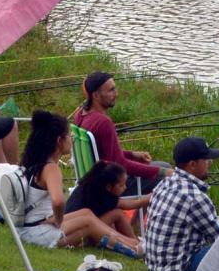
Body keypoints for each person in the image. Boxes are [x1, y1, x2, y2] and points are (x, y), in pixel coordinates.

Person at [15, 110, 129, 249]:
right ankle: (132, 248)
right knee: (88, 222)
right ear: (59, 140)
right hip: (37, 234)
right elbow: (58, 201)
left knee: (86, 213)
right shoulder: (51, 168)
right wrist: (58, 221)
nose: (72, 137)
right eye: (69, 135)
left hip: (27, 229)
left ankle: (130, 242)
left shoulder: (37, 161)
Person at [71, 71, 165, 199]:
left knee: (161, 165)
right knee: (165, 175)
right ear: (96, 95)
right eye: (111, 90)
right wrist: (161, 172)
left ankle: (136, 219)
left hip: (94, 179)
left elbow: (101, 153)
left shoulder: (80, 115)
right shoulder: (103, 123)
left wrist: (132, 154)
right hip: (110, 186)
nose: (116, 94)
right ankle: (139, 219)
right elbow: (120, 164)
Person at [145, 136, 219, 271]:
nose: (210, 162)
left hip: (155, 269)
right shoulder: (195, 197)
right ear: (192, 164)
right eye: (206, 159)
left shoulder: (165, 183)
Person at [63, 162, 150, 254]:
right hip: (80, 234)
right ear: (108, 187)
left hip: (70, 226)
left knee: (114, 214)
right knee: (118, 214)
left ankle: (134, 241)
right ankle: (135, 243)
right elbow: (134, 204)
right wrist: (151, 196)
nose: (125, 187)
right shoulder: (104, 198)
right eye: (121, 185)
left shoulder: (89, 186)